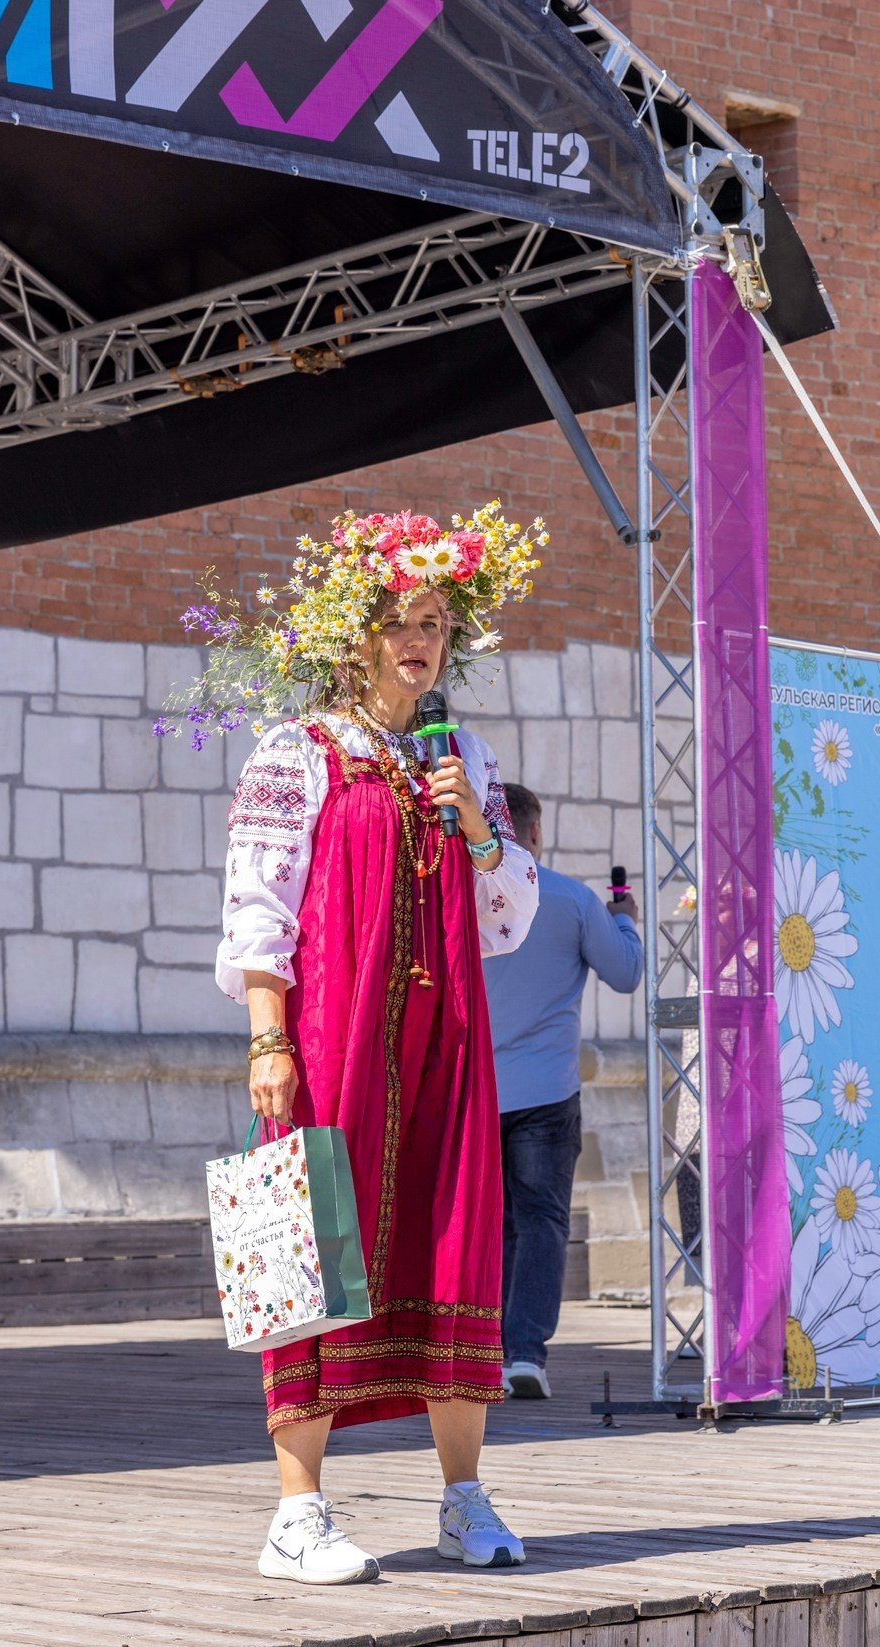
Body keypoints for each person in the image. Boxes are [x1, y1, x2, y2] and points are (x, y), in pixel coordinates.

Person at [214, 503, 543, 1586]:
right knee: (313, 1240)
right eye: (401, 620)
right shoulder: (298, 753)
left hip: (445, 1034)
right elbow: (256, 904)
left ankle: (460, 1495)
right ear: (354, 633)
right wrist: (268, 1037)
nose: (420, 640)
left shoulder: (462, 759)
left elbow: (508, 920)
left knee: (453, 1239)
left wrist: (481, 830)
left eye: (438, 625)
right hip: (336, 1031)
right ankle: (295, 1511)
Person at [480, 782, 641, 1401]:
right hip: (546, 1090)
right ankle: (526, 1354)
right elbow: (624, 975)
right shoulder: (572, 900)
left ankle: (486, 1350)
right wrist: (623, 921)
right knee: (544, 1221)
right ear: (536, 834)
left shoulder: (465, 899)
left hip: (480, 1090)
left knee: (495, 1225)